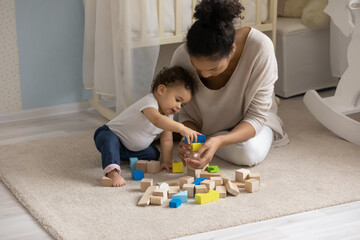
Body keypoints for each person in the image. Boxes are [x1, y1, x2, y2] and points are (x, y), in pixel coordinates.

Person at [171, 0, 289, 169]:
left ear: (232, 49)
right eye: (197, 67)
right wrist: (190, 137)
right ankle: (208, 140)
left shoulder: (260, 48)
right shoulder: (181, 57)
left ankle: (212, 140)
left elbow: (256, 117)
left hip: (251, 124)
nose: (204, 74)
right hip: (206, 125)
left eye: (213, 68)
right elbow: (188, 114)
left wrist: (219, 141)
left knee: (249, 153)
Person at [94, 66, 200, 187]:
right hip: (110, 134)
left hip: (129, 149)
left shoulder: (168, 116)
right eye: (177, 100)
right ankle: (112, 173)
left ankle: (115, 155)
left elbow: (167, 140)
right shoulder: (149, 102)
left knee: (153, 154)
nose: (178, 107)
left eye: (183, 104)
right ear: (161, 90)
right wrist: (182, 128)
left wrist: (166, 161)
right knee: (109, 141)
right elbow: (156, 120)